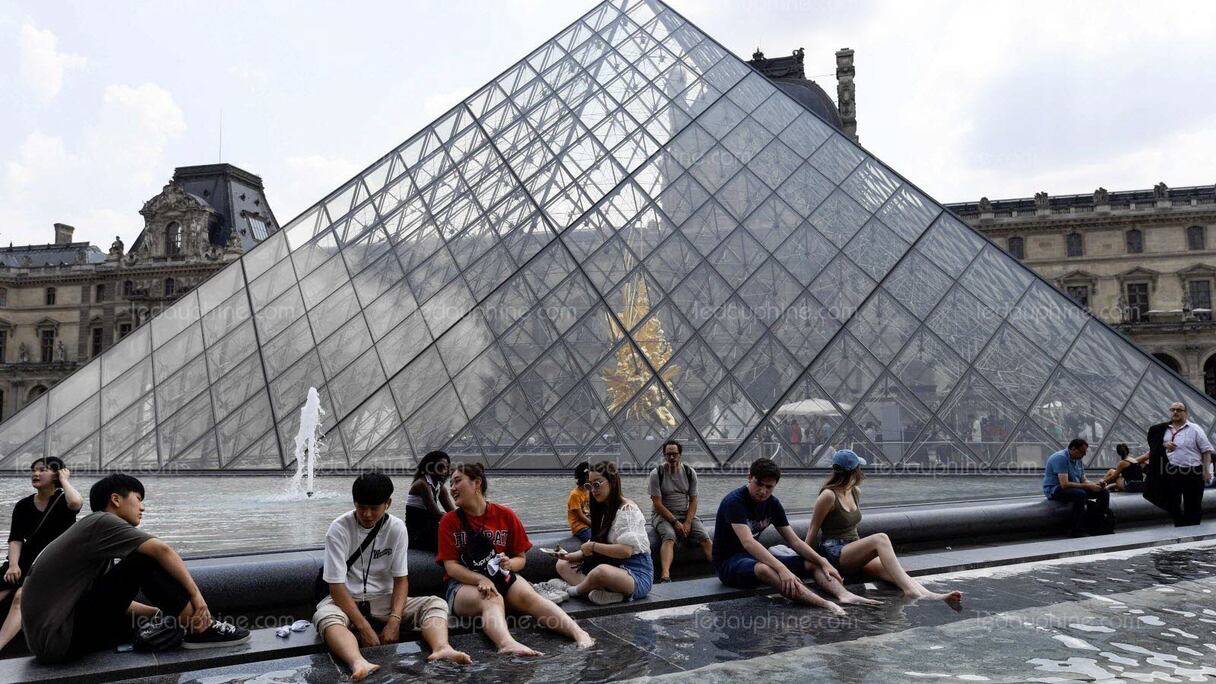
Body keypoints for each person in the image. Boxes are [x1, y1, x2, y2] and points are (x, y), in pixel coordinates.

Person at [18, 474, 249, 663]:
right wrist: (197, 600)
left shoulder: (93, 537)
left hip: (54, 642)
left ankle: (186, 625)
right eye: (139, 499)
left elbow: (110, 599)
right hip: (60, 639)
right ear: (116, 500)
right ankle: (201, 628)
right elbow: (162, 551)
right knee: (143, 559)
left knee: (156, 622)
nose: (143, 507)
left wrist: (158, 613)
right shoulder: (102, 522)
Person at [315, 472, 468, 681]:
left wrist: (394, 621)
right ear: (354, 503)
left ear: (388, 503)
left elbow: (400, 579)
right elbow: (336, 586)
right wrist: (363, 626)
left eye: (374, 508)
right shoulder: (338, 529)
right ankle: (358, 662)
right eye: (361, 507)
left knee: (436, 604)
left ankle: (442, 647)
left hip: (385, 600)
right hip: (346, 602)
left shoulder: (397, 528)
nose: (367, 514)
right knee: (325, 617)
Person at [438, 463, 593, 656]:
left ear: (476, 483)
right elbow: (451, 567)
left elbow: (521, 558)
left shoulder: (506, 515)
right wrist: (480, 579)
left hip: (502, 576)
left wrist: (510, 564)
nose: (451, 488)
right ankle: (506, 644)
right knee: (491, 599)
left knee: (531, 597)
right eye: (450, 483)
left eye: (457, 481)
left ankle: (579, 633)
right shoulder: (449, 521)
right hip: (462, 586)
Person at [712, 458, 877, 614]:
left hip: (753, 558)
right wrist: (783, 569)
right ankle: (825, 604)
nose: (763, 491)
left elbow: (795, 541)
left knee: (813, 562)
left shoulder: (773, 504)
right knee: (765, 569)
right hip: (728, 563)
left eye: (769, 487)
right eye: (758, 484)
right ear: (749, 477)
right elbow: (748, 542)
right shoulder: (734, 502)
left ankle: (844, 595)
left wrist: (823, 561)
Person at [807, 450, 962, 603]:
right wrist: (809, 563)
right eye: (860, 467)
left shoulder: (854, 491)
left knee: (896, 573)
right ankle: (911, 592)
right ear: (854, 471)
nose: (862, 471)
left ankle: (930, 595)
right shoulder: (828, 496)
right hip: (835, 554)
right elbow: (812, 532)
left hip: (854, 551)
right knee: (881, 539)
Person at [0, 457, 83, 652]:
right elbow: (15, 539)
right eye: (33, 470)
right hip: (23, 561)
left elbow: (76, 503)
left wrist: (65, 481)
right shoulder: (23, 505)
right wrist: (13, 565)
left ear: (56, 474)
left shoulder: (63, 500)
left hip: (53, 564)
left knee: (22, 595)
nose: (35, 474)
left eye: (42, 470)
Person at [553, 461, 653, 604]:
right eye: (589, 485)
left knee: (601, 572)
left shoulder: (627, 510)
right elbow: (596, 541)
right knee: (561, 564)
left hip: (635, 575)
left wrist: (593, 546)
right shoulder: (602, 509)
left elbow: (626, 551)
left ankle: (575, 590)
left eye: (597, 484)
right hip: (612, 568)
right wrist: (568, 556)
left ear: (612, 482)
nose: (593, 490)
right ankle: (603, 594)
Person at [648, 440, 712, 583]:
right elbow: (657, 504)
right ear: (664, 455)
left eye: (674, 454)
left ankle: (719, 568)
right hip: (662, 515)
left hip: (685, 513)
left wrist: (688, 522)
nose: (671, 457)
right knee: (669, 536)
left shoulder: (690, 472)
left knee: (705, 538)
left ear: (680, 454)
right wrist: (675, 522)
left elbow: (694, 500)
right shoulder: (656, 474)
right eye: (668, 454)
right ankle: (665, 575)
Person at [1159, 402, 1214, 526]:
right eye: (1172, 409)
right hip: (1171, 471)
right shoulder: (1164, 430)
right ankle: (1180, 526)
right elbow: (1155, 447)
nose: (1175, 412)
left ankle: (1193, 529)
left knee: (1193, 504)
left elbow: (1206, 450)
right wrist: (1164, 444)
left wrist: (1206, 472)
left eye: (1179, 410)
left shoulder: (1195, 429)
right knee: (1172, 503)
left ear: (1186, 413)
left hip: (1193, 471)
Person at [1043, 438, 1111, 537]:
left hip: (1074, 488)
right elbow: (1064, 484)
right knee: (1080, 494)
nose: (1084, 455)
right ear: (1073, 449)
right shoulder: (1060, 458)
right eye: (1082, 452)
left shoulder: (1077, 459)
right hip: (1054, 489)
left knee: (1104, 492)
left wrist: (1096, 485)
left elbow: (1084, 480)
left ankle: (1100, 524)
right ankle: (1076, 529)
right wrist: (1088, 486)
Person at [405, 450, 455, 552]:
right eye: (440, 467)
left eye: (446, 468)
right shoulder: (422, 484)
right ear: (430, 468)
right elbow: (436, 514)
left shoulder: (439, 486)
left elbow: (452, 512)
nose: (445, 472)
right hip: (416, 535)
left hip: (428, 530)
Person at [566, 462, 592, 543]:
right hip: (580, 527)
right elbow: (580, 516)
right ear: (586, 477)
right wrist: (594, 526)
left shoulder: (589, 491)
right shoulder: (575, 495)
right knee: (594, 540)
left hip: (589, 525)